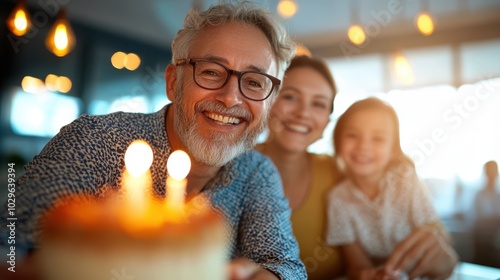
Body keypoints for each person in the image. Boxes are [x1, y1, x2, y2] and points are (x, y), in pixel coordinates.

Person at [0, 2, 306, 280]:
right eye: (212, 72)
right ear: (174, 82)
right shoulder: (94, 139)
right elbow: (11, 248)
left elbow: (286, 266)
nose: (230, 97)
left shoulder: (257, 172)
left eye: (254, 82)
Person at [326, 97, 458, 280]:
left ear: (393, 150)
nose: (364, 145)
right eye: (352, 135)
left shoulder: (407, 182)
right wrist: (370, 274)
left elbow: (436, 233)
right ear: (337, 142)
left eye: (378, 138)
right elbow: (356, 264)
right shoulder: (337, 198)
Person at [256, 55, 343, 279]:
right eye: (291, 97)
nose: (303, 113)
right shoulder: (231, 164)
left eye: (318, 104)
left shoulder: (339, 172)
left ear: (326, 123)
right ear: (268, 102)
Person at [472, 160, 500, 267]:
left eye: (494, 172)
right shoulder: (479, 195)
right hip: (482, 242)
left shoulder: (498, 196)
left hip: (495, 240)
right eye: (490, 172)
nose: (493, 176)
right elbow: (480, 219)